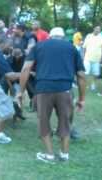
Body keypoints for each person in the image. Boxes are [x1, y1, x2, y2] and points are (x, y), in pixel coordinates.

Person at [17, 27, 86, 163]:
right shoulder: (72, 48)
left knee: (43, 122)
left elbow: (26, 68)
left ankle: (49, 155)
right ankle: (64, 154)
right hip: (65, 90)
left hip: (43, 90)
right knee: (65, 122)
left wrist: (21, 91)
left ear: (50, 36)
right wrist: (82, 99)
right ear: (63, 36)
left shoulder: (39, 46)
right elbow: (81, 75)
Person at [12, 23, 37, 111]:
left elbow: (31, 49)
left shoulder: (30, 37)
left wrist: (20, 51)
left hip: (28, 64)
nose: (13, 30)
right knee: (18, 84)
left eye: (15, 29)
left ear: (20, 29)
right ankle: (18, 104)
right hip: (17, 64)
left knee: (30, 85)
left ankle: (34, 104)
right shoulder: (15, 37)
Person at [83, 26, 102, 92]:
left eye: (99, 29)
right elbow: (84, 47)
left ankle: (93, 84)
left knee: (95, 74)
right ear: (94, 29)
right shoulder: (88, 36)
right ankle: (85, 84)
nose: (97, 30)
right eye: (96, 29)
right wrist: (83, 56)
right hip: (87, 58)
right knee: (86, 72)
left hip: (97, 59)